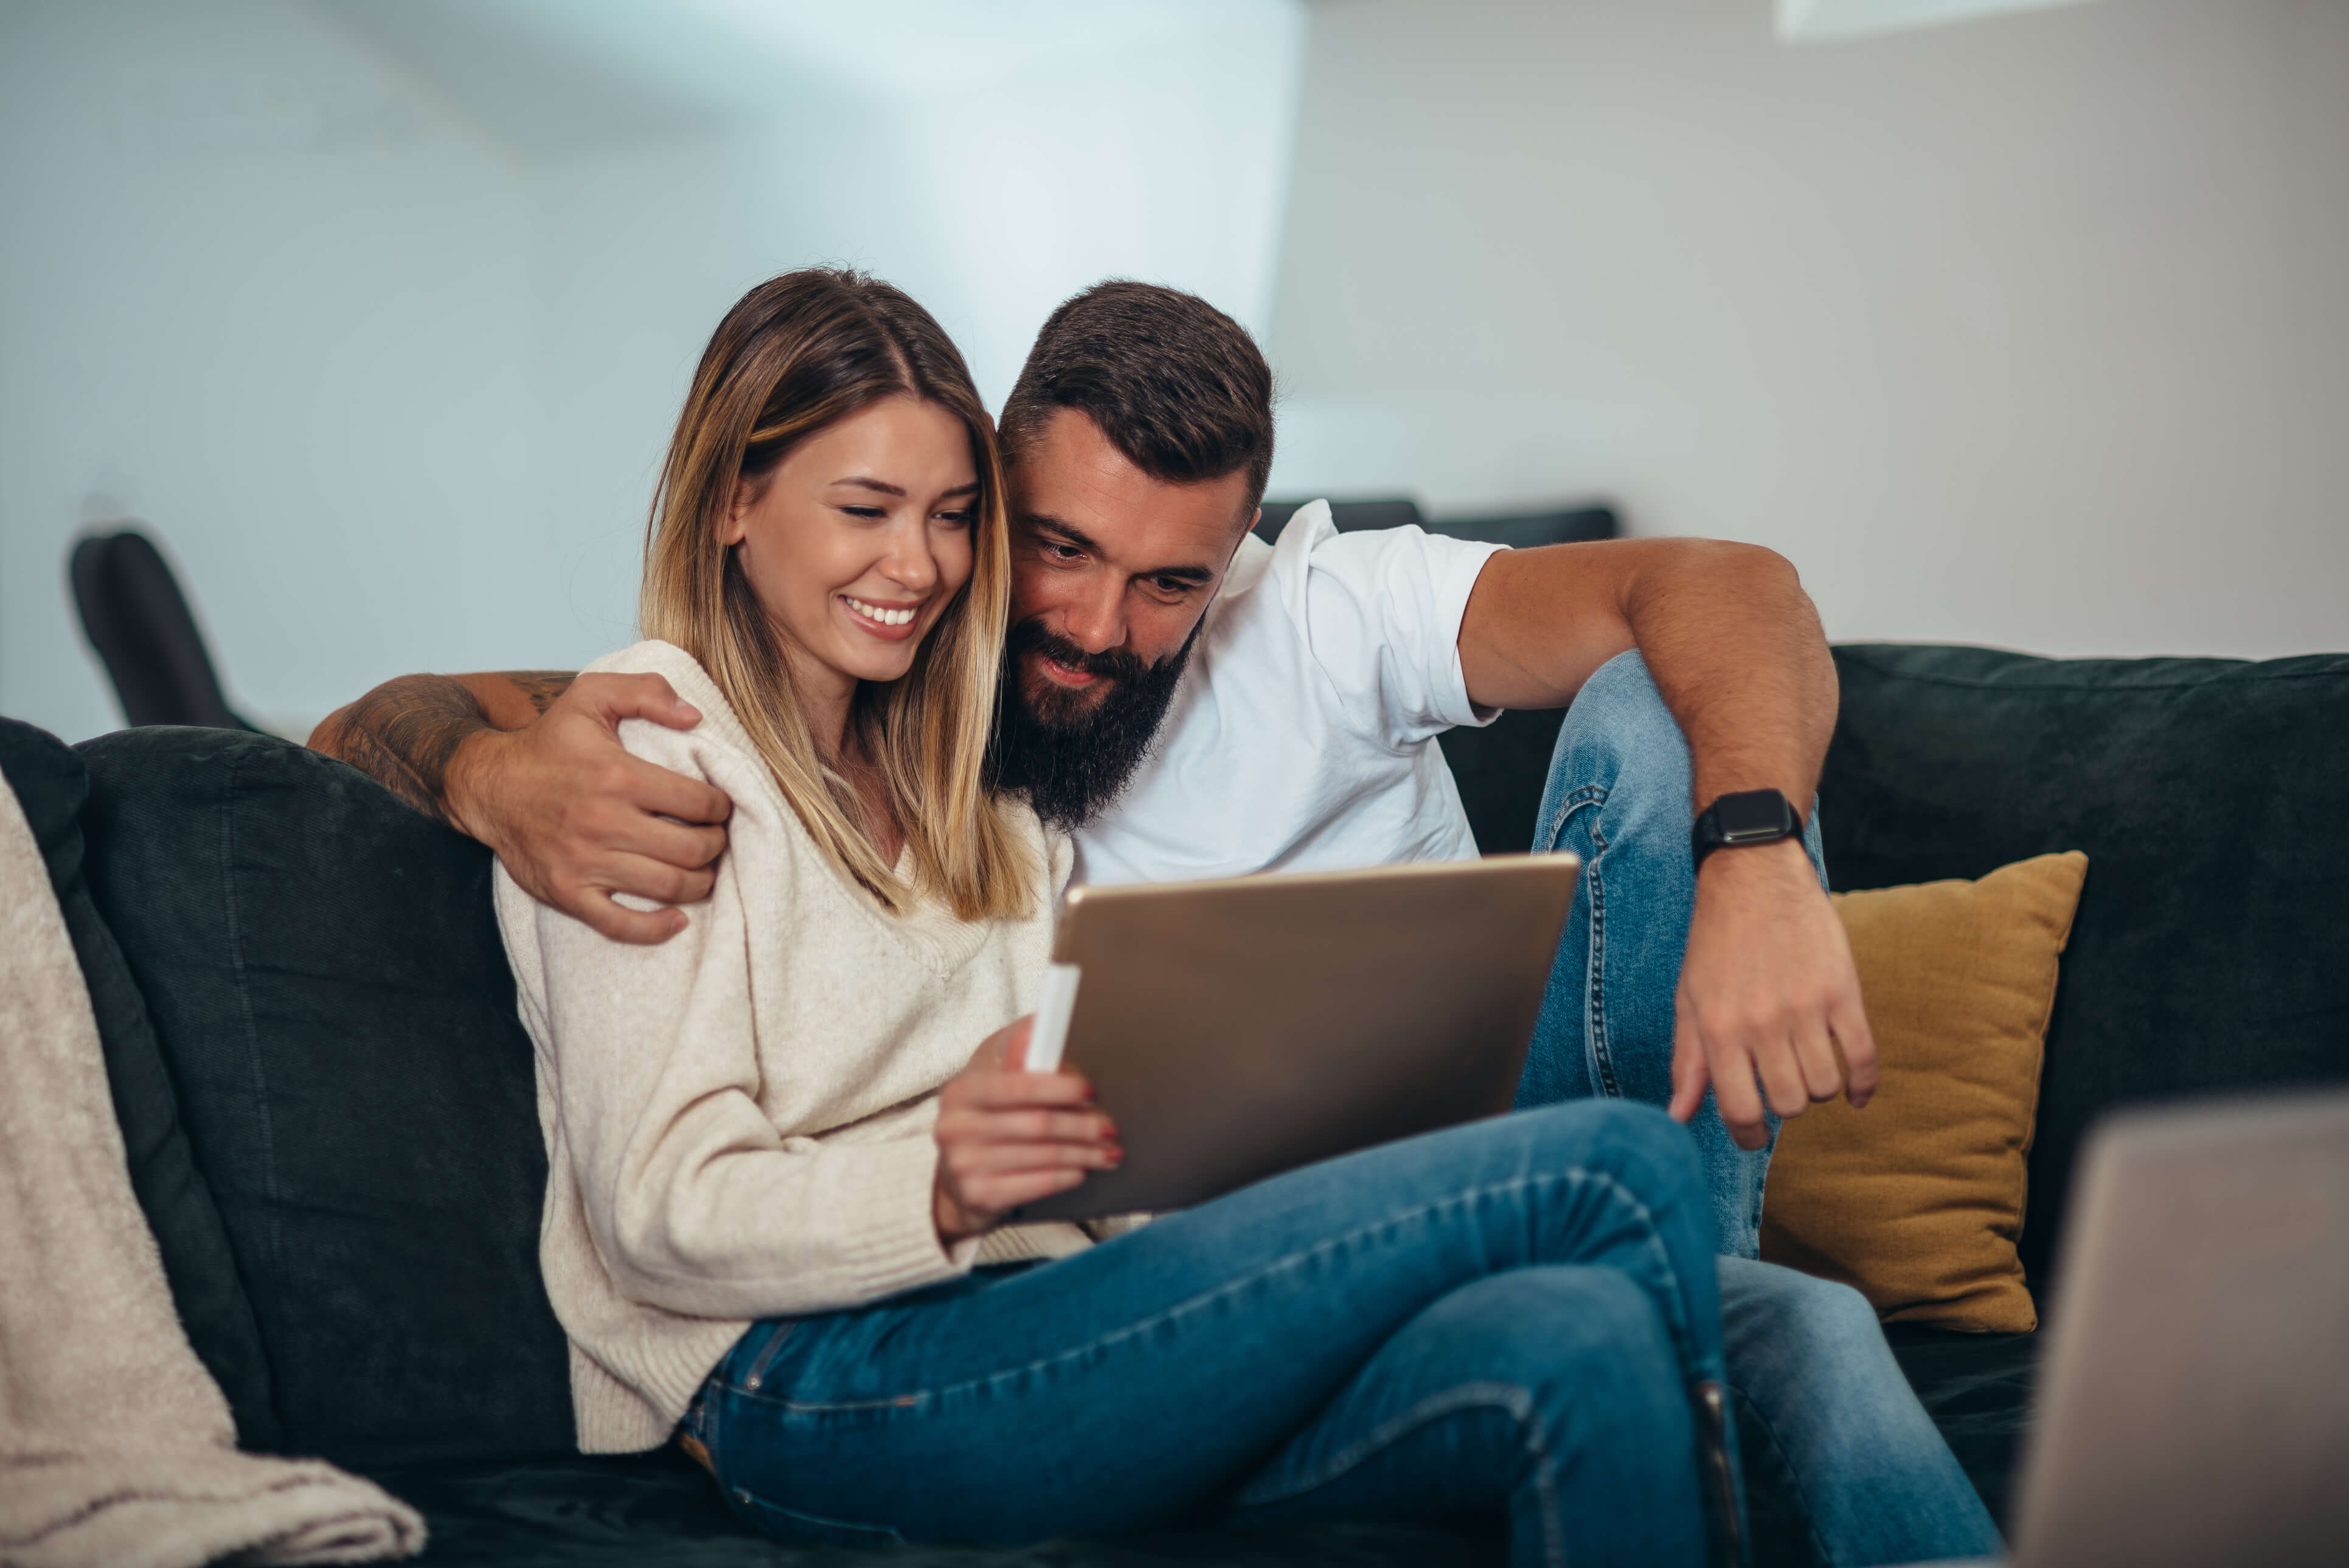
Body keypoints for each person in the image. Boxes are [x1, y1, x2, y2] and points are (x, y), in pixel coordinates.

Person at [316, 281, 2003, 1565]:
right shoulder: (650, 745)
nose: (1069, 614)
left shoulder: (976, 790)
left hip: (1107, 1281)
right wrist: (483, 768)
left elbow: (1730, 589)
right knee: (1627, 1182)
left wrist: (1759, 862)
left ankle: (1688, 1308)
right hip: (822, 1360)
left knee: (1572, 1340)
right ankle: (1717, 1300)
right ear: (735, 503)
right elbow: (657, 1207)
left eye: (947, 522)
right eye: (1036, 542)